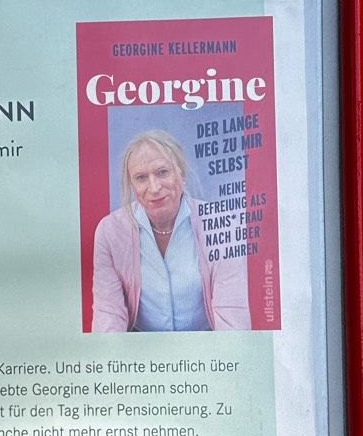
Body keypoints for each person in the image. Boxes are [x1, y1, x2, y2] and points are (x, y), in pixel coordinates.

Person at [91, 129, 250, 332]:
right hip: (141, 352)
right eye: (141, 178)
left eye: (162, 172)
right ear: (132, 185)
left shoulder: (224, 223)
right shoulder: (110, 231)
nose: (154, 187)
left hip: (207, 349)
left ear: (181, 173)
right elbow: (108, 316)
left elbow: (233, 318)